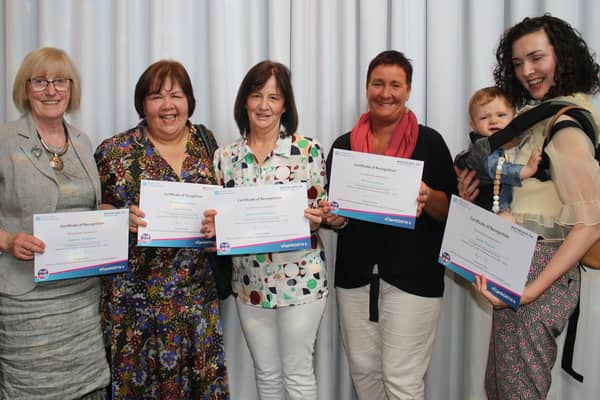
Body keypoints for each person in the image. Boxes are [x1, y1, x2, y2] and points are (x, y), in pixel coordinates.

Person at [462, 15, 600, 399]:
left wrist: (529, 291)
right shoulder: (545, 116)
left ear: (563, 56)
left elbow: (591, 223)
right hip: (522, 263)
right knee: (503, 388)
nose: (527, 71)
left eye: (536, 58)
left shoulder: (566, 126)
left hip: (539, 272)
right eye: (518, 63)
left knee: (518, 391)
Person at [322, 50, 457, 400]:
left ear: (408, 90)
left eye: (395, 84)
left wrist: (429, 196)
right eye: (378, 83)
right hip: (356, 279)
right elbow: (337, 213)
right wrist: (334, 220)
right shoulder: (343, 147)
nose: (386, 93)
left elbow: (450, 212)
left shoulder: (430, 142)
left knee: (401, 380)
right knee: (364, 375)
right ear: (367, 88)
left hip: (414, 279)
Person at [94, 60, 229, 399]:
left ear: (189, 101)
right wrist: (117, 218)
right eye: (157, 96)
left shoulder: (208, 143)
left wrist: (221, 227)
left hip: (196, 302)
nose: (168, 106)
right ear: (142, 104)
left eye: (176, 95)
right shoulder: (114, 152)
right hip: (134, 307)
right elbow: (91, 214)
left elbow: (228, 202)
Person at [202, 60, 327, 400]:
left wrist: (319, 217)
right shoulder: (225, 157)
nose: (263, 105)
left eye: (274, 97)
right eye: (256, 95)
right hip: (249, 282)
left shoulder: (307, 150)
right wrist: (215, 230)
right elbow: (219, 218)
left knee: (298, 374)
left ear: (285, 104)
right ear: (244, 101)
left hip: (301, 279)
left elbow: (322, 211)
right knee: (266, 374)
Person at [0, 47, 109, 399]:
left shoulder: (82, 141)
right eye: (40, 81)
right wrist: (6, 241)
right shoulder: (3, 140)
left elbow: (87, 207)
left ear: (71, 88)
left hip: (81, 297)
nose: (51, 90)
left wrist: (110, 218)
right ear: (24, 88)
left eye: (60, 81)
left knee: (88, 389)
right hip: (28, 302)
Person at [459, 86, 541, 213]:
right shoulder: (481, 147)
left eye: (501, 115)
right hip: (493, 211)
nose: (493, 121)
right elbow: (494, 168)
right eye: (484, 118)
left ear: (514, 116)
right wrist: (526, 170)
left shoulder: (526, 136)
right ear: (473, 125)